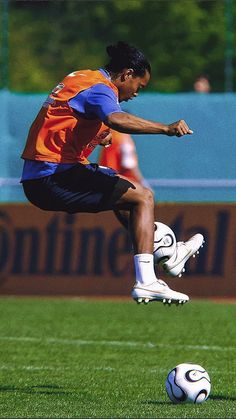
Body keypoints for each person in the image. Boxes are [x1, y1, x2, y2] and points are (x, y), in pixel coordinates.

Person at [21, 41, 204, 305]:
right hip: (53, 174)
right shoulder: (101, 88)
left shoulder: (81, 77)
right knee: (143, 197)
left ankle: (169, 252)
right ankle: (147, 280)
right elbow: (116, 119)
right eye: (139, 86)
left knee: (127, 200)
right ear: (126, 74)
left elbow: (66, 120)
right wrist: (165, 128)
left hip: (42, 176)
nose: (136, 94)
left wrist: (98, 136)